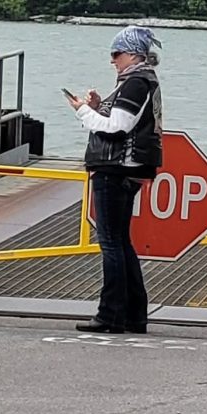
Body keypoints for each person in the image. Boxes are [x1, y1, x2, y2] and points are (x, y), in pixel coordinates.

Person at [67, 26, 163, 334]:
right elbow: (122, 121)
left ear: (133, 54)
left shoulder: (135, 83)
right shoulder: (142, 81)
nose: (113, 60)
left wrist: (84, 112)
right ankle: (134, 314)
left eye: (116, 53)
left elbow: (118, 127)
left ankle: (110, 315)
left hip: (116, 169)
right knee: (121, 242)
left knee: (111, 243)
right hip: (130, 169)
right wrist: (98, 107)